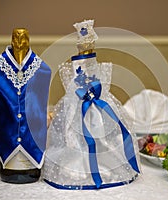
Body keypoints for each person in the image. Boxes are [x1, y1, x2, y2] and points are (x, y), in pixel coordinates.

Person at [43, 20, 140, 190]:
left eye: (89, 42)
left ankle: (103, 163)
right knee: (74, 135)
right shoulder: (74, 69)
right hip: (77, 102)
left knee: (101, 135)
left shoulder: (98, 68)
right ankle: (78, 165)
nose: (87, 45)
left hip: (98, 103)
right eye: (84, 42)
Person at [0, 28, 51, 183]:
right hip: (7, 148)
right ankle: (10, 164)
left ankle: (31, 165)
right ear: (12, 41)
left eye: (23, 39)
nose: (20, 43)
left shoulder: (42, 70)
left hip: (32, 151)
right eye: (16, 38)